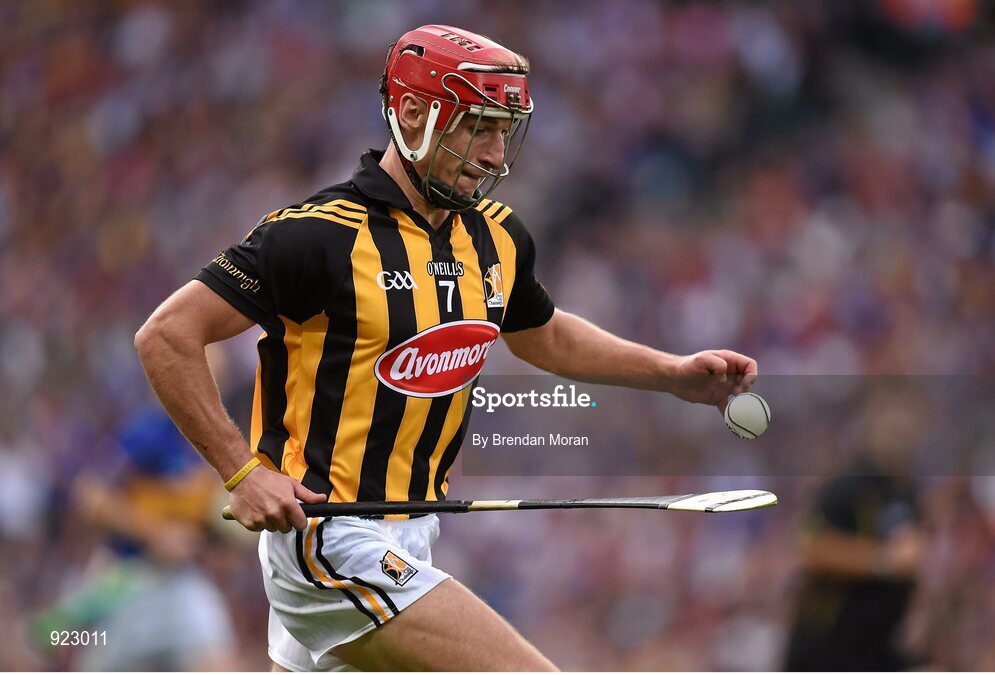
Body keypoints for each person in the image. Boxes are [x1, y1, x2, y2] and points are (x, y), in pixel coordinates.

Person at [135, 24, 758, 671]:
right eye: (477, 128)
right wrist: (241, 471)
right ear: (411, 114)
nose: (494, 154)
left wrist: (673, 373)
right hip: (328, 540)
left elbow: (543, 333)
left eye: (504, 131)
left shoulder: (496, 236)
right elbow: (167, 336)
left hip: (407, 539)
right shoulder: (316, 236)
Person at [48, 408, 237, 670]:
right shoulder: (150, 431)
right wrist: (157, 532)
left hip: (181, 581)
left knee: (218, 656)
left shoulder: (219, 438)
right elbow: (90, 496)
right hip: (125, 578)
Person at [782, 385, 928, 671]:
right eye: (890, 420)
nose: (898, 429)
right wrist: (883, 560)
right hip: (830, 648)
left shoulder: (907, 493)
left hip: (876, 645)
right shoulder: (851, 486)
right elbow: (810, 546)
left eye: (905, 420)